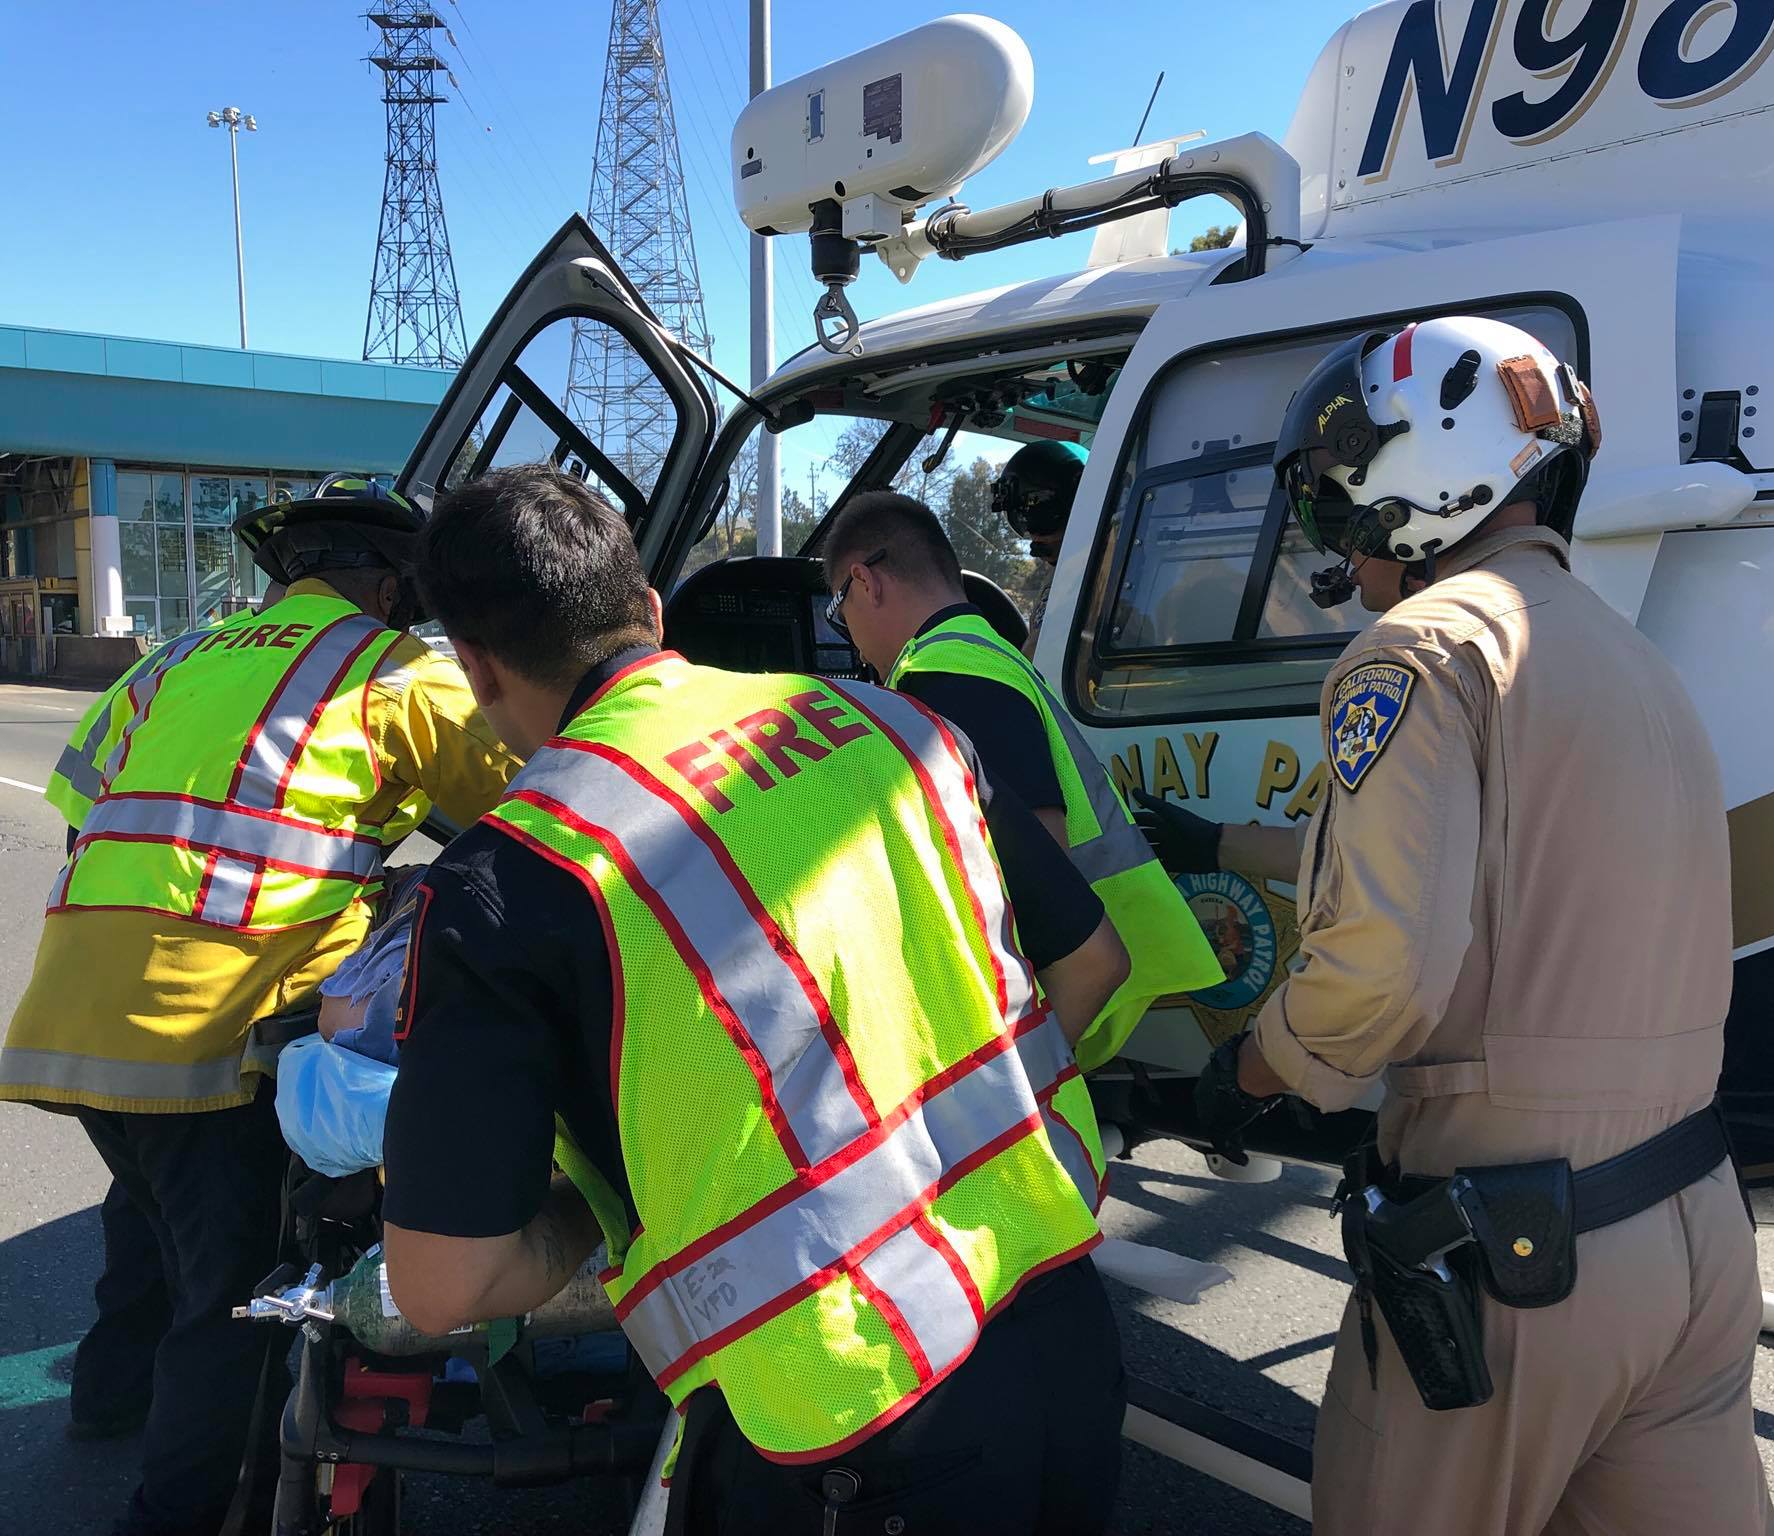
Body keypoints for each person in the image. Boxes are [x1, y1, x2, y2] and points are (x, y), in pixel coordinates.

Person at [378, 464, 1131, 1535]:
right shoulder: (889, 725)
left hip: (844, 1420)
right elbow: (1092, 960)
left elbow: (442, 1286)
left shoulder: (506, 880)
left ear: (478, 669)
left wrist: (609, 1215)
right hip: (1058, 1328)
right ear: (647, 611)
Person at [1141, 317, 1774, 1536]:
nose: (1340, 542)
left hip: (1517, 1257)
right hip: (1690, 1230)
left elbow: (1379, 969)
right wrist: (1218, 844)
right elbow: (1480, 872)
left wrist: (1252, 1069)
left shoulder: (1418, 653)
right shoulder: (1628, 665)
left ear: (1418, 482)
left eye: (1342, 498)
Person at [3, 475, 517, 1536]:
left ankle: (107, 1396)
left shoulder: (174, 660)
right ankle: (177, 1512)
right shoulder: (386, 670)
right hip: (212, 1023)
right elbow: (529, 808)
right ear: (387, 585)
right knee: (234, 1293)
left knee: (153, 1209)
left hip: (75, 1011)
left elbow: (82, 809)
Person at [818, 491, 1221, 1202]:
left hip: (1080, 976)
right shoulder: (987, 653)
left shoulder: (945, 678)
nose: (846, 634)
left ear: (865, 581)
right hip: (1114, 958)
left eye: (836, 610)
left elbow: (1032, 868)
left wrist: (1001, 1100)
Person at [991, 440, 1086, 654]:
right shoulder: (1061, 574)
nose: (1034, 536)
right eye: (1020, 519)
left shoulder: (1100, 569)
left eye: (1040, 514)